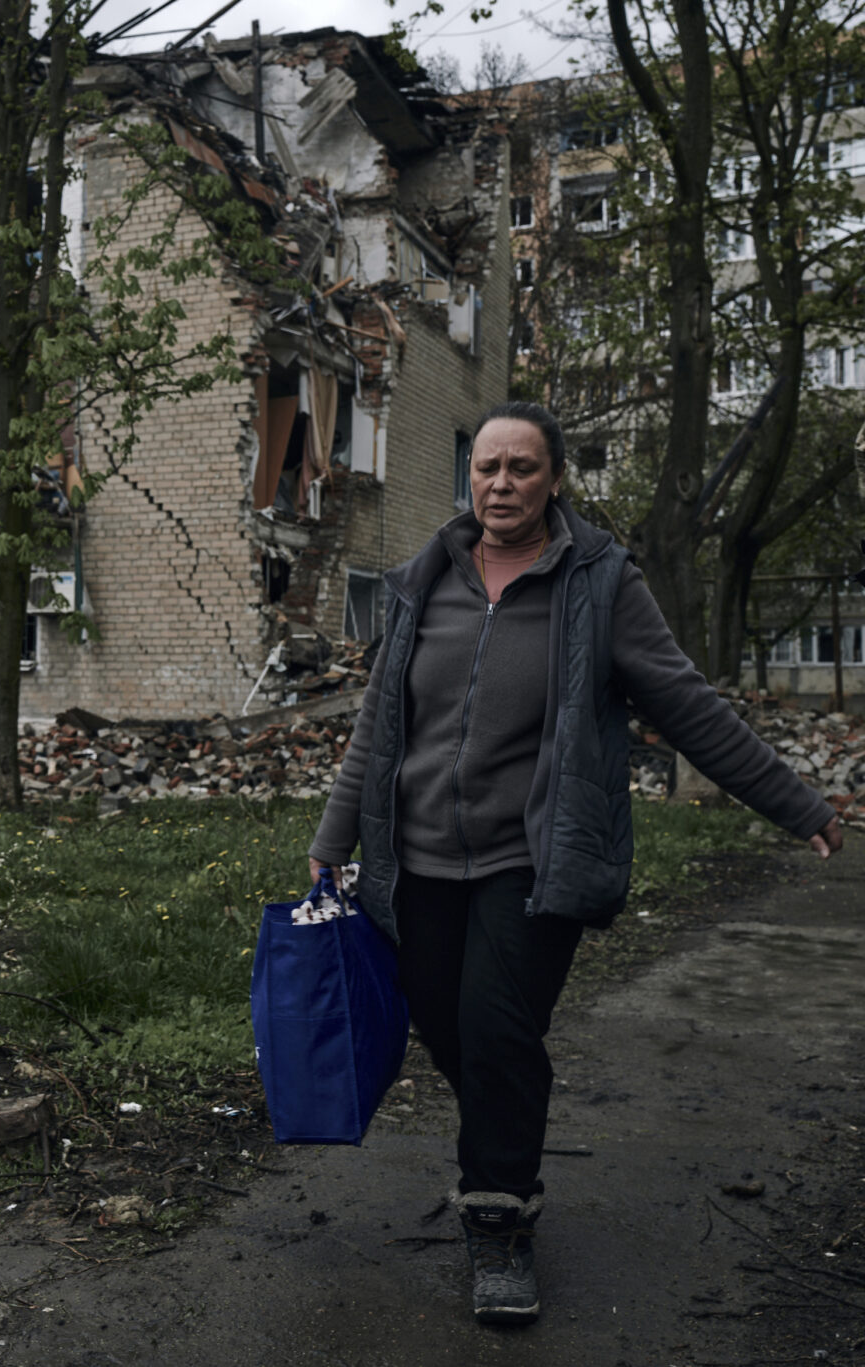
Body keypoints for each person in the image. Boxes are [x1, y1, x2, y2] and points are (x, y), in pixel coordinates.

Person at [307, 400, 844, 1326]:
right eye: (486, 468)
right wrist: (331, 840)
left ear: (555, 478)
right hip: (417, 864)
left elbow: (685, 702)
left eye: (521, 467)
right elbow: (377, 728)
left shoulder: (598, 581)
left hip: (533, 860)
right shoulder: (426, 578)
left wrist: (797, 804)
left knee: (499, 1032)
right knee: (449, 1028)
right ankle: (501, 1154)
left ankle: (499, 1222)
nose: (501, 484)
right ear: (467, 477)